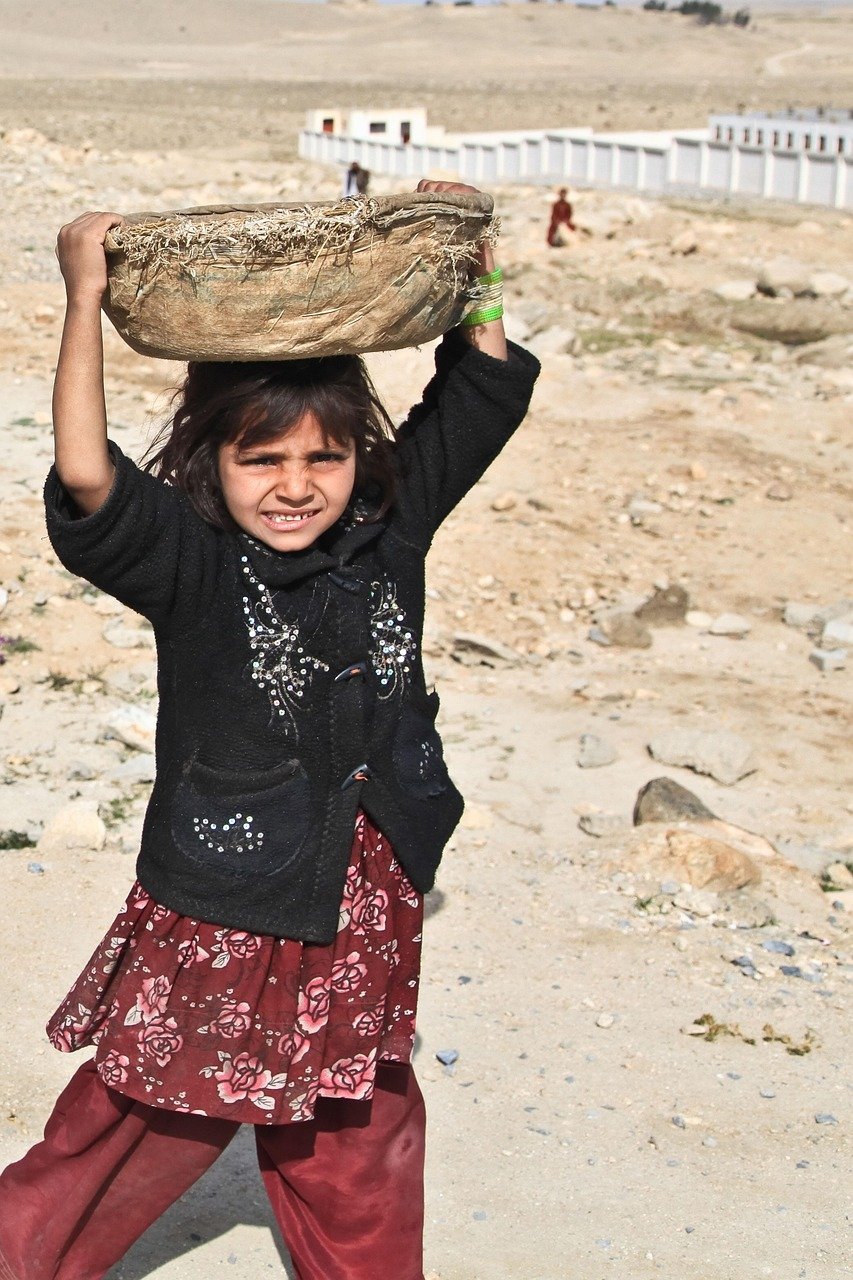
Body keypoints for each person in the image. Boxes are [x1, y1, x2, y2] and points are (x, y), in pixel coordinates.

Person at [0, 179, 539, 1280]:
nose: (295, 487)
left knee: (358, 1111)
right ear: (214, 463)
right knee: (151, 1109)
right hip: (228, 896)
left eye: (322, 459)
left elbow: (479, 393)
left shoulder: (389, 529)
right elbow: (90, 473)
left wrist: (473, 266)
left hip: (367, 883)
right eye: (262, 460)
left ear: (361, 463)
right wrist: (83, 295)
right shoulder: (193, 564)